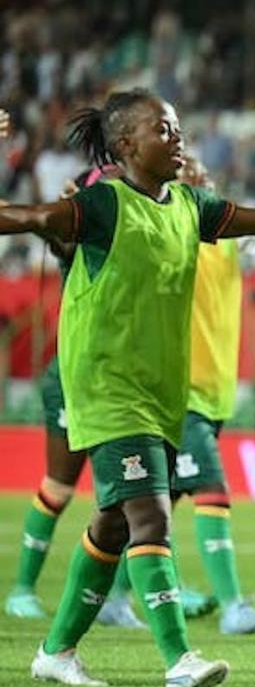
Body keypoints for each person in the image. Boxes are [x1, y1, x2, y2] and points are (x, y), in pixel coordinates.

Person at [0, 88, 255, 687]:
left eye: (177, 128)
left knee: (114, 523)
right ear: (124, 146)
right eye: (162, 130)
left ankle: (56, 651)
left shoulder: (190, 206)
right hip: (108, 389)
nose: (178, 140)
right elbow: (28, 218)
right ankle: (178, 660)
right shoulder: (101, 206)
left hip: (164, 392)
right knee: (151, 517)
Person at [5, 167, 144, 630]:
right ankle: (23, 589)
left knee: (135, 497)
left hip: (126, 380)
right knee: (60, 488)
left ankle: (116, 598)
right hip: (74, 376)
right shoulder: (82, 237)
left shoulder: (144, 230)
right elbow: (46, 230)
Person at [171, 156, 255, 635]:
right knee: (212, 491)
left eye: (204, 170)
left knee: (152, 505)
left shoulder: (228, 234)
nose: (202, 174)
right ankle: (233, 606)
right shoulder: (168, 231)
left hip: (215, 394)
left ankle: (116, 595)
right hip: (179, 393)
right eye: (190, 171)